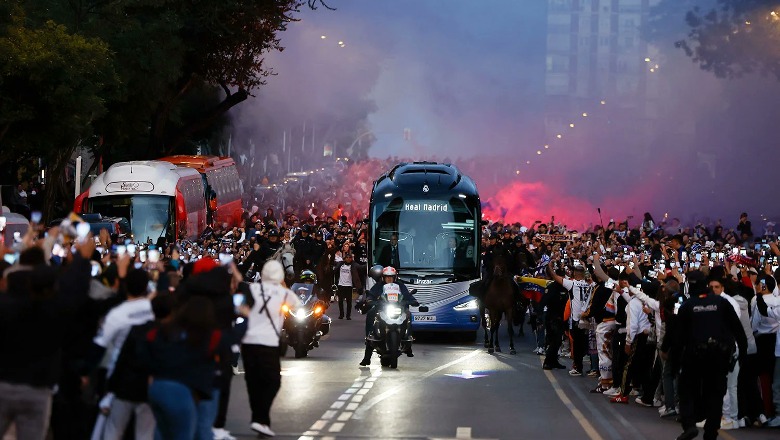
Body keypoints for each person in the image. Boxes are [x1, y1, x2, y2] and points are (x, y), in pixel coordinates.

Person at [675, 285, 747, 440]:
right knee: (715, 397)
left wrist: (675, 361)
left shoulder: (687, 305)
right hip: (717, 358)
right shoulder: (721, 303)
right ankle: (710, 434)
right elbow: (738, 330)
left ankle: (689, 425)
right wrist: (742, 354)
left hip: (694, 358)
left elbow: (678, 336)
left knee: (686, 391)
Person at [241, 260, 302, 437]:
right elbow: (297, 306)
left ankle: (259, 418)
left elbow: (240, 305)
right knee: (273, 381)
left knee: (253, 382)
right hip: (269, 344)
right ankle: (261, 418)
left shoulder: (252, 289)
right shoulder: (284, 293)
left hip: (248, 342)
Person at [359, 266, 417, 366]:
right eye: (387, 277)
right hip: (382, 308)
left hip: (398, 308)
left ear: (395, 277)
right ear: (383, 277)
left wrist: (413, 300)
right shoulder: (379, 285)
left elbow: (407, 295)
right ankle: (367, 354)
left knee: (408, 314)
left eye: (391, 277)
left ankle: (408, 340)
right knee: (371, 314)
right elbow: (371, 295)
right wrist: (369, 300)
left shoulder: (400, 285)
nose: (389, 279)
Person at [548, 262, 593, 377]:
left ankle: (578, 367)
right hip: (588, 317)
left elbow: (555, 277)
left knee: (577, 344)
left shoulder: (572, 284)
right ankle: (592, 368)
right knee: (587, 343)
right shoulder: (590, 284)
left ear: (574, 273)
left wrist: (549, 267)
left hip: (576, 319)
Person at [334, 252, 363, 320]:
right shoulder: (340, 264)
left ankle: (348, 315)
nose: (348, 259)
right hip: (340, 285)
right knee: (340, 301)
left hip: (349, 285)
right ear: (345, 258)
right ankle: (341, 314)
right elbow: (335, 269)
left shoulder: (354, 265)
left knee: (349, 302)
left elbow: (361, 268)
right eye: (347, 257)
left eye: (350, 258)